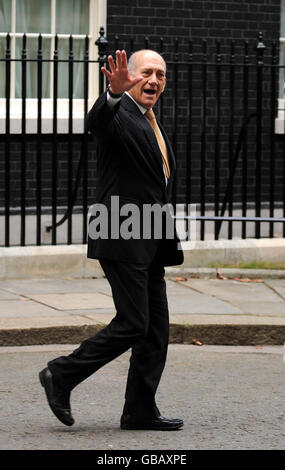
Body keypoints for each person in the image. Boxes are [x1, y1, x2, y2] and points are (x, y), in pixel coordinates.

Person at [39, 49, 184, 431]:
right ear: (130, 77)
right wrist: (113, 95)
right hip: (120, 232)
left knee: (155, 330)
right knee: (134, 323)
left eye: (161, 75)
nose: (154, 80)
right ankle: (61, 374)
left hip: (149, 235)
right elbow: (97, 123)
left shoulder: (150, 121)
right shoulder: (119, 114)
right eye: (146, 73)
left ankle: (139, 409)